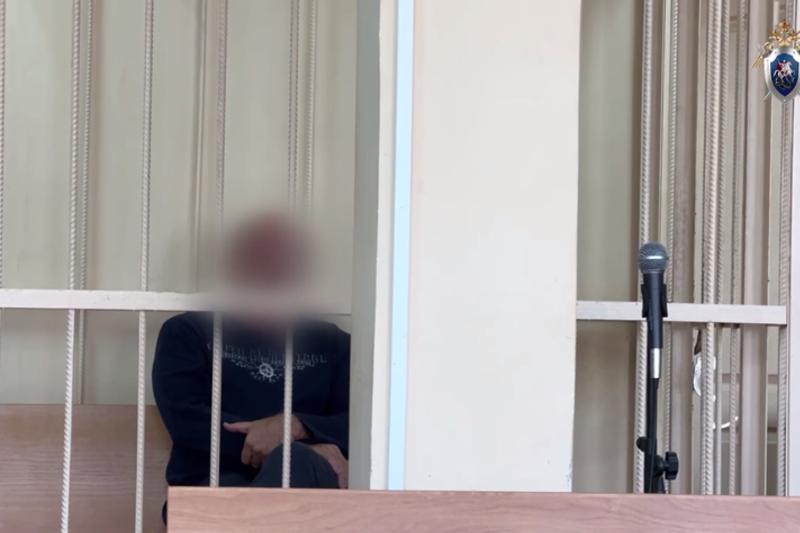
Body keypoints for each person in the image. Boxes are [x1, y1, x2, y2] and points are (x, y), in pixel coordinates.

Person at [153, 214, 350, 522]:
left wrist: (296, 426)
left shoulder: (333, 343)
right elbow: (186, 420)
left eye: (278, 262)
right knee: (280, 467)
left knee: (294, 463)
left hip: (308, 492)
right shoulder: (187, 333)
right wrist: (292, 442)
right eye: (255, 260)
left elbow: (362, 424)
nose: (267, 270)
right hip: (212, 487)